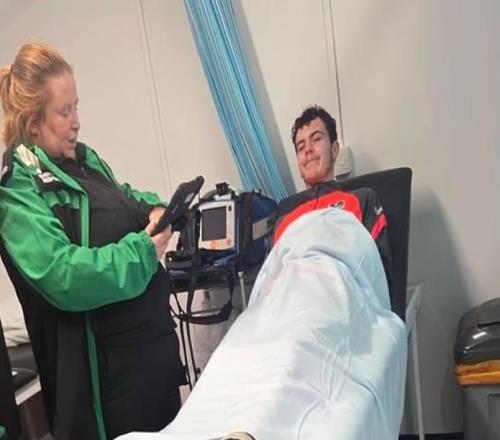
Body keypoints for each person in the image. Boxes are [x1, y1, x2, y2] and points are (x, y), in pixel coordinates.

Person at [0, 42, 185, 440]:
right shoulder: (17, 190)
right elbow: (64, 275)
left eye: (76, 107)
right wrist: (141, 253)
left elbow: (125, 197)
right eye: (64, 112)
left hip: (149, 365)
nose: (77, 122)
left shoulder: (84, 160)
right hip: (105, 395)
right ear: (33, 123)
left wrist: (155, 210)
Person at [273, 105, 392, 285]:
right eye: (301, 147)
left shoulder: (362, 200)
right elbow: (271, 285)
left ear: (335, 150)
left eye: (316, 139)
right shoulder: (283, 223)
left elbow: (381, 279)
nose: (308, 149)